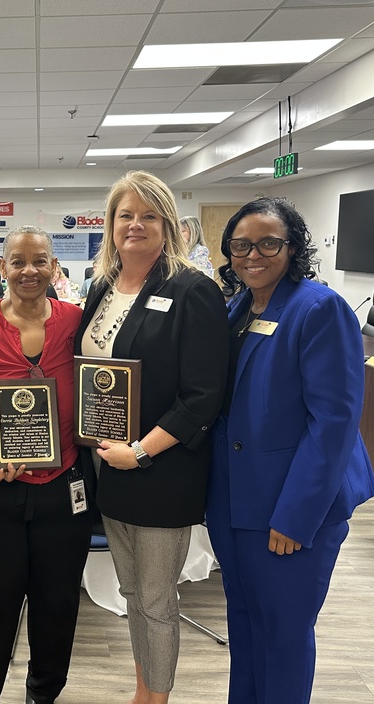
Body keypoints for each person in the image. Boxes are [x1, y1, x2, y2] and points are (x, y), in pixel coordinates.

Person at [206, 197, 374, 704]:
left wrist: (297, 516)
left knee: (282, 631)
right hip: (236, 502)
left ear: (293, 247)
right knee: (245, 621)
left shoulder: (319, 308)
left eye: (268, 243)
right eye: (241, 244)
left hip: (290, 507)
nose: (252, 254)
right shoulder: (238, 306)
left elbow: (335, 421)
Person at [75, 171, 229, 704]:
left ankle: (155, 698)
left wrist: (140, 452)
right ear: (110, 226)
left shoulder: (192, 290)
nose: (135, 224)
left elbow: (203, 395)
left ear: (168, 224)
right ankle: (145, 687)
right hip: (104, 463)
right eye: (125, 215)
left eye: (148, 215)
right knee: (132, 591)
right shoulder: (101, 289)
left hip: (159, 467)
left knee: (158, 599)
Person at [0, 225, 93, 704]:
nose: (29, 271)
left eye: (40, 261)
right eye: (18, 262)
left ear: (54, 268)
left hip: (62, 484)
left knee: (58, 600)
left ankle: (43, 694)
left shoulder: (77, 321)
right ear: (1, 268)